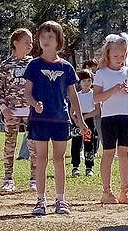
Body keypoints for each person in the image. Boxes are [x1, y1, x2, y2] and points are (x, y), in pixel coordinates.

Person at [25, 21, 91, 217]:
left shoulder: (66, 67)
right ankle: (40, 200)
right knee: (41, 159)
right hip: (40, 120)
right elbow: (27, 92)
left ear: (58, 41)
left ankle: (61, 200)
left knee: (59, 159)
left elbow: (73, 95)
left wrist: (80, 120)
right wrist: (34, 104)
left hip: (60, 120)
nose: (46, 40)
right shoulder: (34, 65)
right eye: (42, 36)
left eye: (50, 36)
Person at [93, 35, 128, 205]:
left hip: (127, 116)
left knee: (124, 153)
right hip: (108, 118)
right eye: (115, 56)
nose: (119, 59)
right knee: (108, 153)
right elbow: (96, 97)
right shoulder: (101, 73)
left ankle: (125, 191)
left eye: (123, 55)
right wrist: (113, 89)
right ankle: (106, 191)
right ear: (107, 54)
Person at [0, 28, 34, 192]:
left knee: (34, 146)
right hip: (11, 112)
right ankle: (8, 179)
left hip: (30, 112)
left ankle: (34, 179)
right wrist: (4, 108)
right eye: (26, 42)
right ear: (15, 43)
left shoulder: (34, 64)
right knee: (9, 146)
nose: (30, 45)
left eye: (31, 42)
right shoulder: (5, 65)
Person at [71, 65, 98, 178]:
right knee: (76, 144)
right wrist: (76, 120)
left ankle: (89, 167)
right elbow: (71, 111)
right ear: (79, 82)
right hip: (77, 122)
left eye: (89, 80)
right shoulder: (76, 95)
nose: (86, 83)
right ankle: (75, 166)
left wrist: (86, 117)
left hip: (89, 122)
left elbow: (97, 110)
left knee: (88, 144)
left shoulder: (94, 94)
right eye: (84, 81)